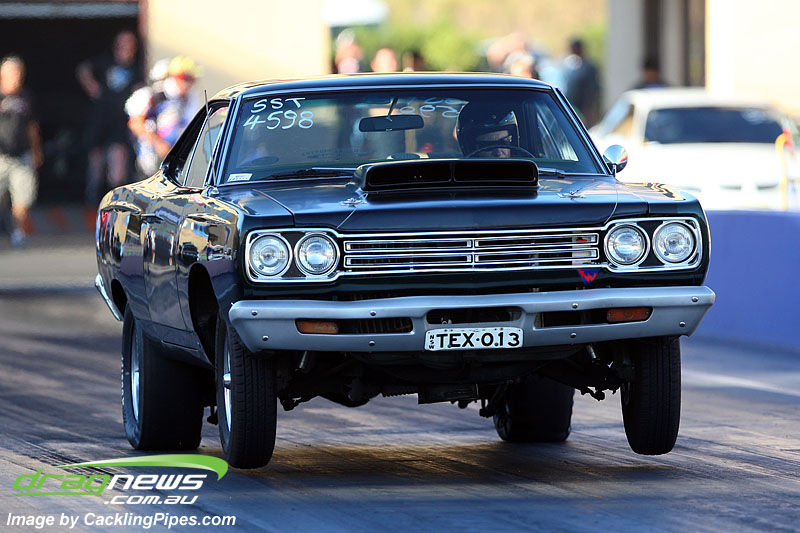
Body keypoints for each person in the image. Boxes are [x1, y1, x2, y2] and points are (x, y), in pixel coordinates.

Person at [76, 30, 141, 204]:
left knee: (117, 165)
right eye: (123, 43)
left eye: (130, 44)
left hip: (121, 121)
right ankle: (92, 198)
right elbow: (83, 68)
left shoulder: (137, 67)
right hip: (100, 118)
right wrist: (91, 86)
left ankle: (114, 202)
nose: (126, 47)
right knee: (96, 161)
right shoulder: (105, 61)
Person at [0, 55, 43, 247]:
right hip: (1, 156)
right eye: (12, 73)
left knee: (23, 196)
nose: (17, 77)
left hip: (22, 155)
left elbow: (32, 126)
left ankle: (18, 232)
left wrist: (36, 150)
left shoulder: (26, 97)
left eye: (19, 73)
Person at [127, 56, 201, 163]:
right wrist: (158, 143)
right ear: (173, 77)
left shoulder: (191, 100)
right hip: (144, 155)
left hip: (172, 157)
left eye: (192, 79)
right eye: (184, 78)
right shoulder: (154, 94)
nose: (188, 83)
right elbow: (135, 123)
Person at [563, 38, 600, 127]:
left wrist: (588, 111)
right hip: (574, 107)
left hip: (583, 109)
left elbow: (591, 91)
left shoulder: (589, 67)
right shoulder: (576, 64)